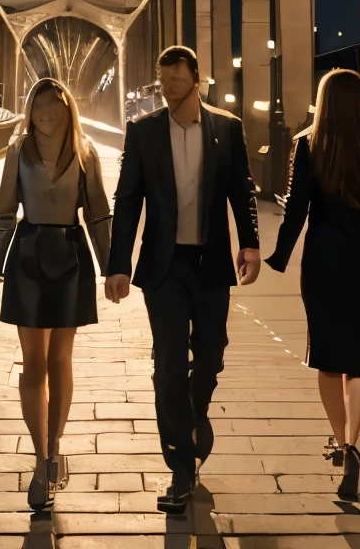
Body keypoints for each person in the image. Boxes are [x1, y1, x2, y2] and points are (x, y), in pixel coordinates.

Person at [106, 45, 260, 514]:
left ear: (197, 79)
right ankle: (179, 466)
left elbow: (242, 191)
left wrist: (249, 243)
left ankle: (196, 416)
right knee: (169, 361)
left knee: (211, 355)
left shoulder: (227, 128)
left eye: (177, 78)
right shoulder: (144, 132)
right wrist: (118, 263)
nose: (169, 86)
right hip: (165, 267)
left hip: (211, 262)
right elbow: (128, 199)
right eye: (163, 79)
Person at [266, 68, 360, 501]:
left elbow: (296, 210)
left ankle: (337, 439)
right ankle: (353, 444)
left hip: (324, 259)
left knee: (327, 357)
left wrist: (279, 256)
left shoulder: (310, 144)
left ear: (323, 101)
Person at [0, 78, 112, 512]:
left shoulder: (86, 150)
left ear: (65, 109)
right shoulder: (16, 150)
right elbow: (5, 208)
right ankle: (41, 457)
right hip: (27, 254)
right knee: (33, 361)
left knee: (61, 358)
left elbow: (98, 212)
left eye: (51, 106)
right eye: (37, 106)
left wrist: (112, 265)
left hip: (70, 255)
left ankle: (54, 448)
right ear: (29, 109)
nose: (44, 113)